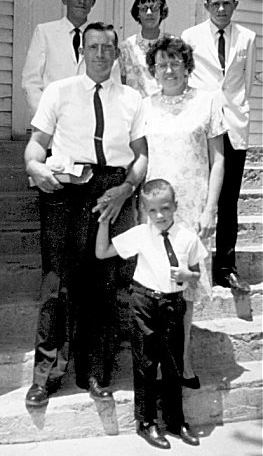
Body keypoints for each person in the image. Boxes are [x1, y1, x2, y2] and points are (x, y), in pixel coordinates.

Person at [24, 22, 148, 407]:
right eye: (92, 47)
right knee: (57, 283)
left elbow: (141, 156)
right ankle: (46, 375)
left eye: (106, 48)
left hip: (109, 190)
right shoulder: (59, 92)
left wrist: (125, 189)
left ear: (115, 55)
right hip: (65, 187)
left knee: (102, 284)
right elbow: (35, 146)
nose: (99, 54)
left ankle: (96, 372)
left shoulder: (132, 99)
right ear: (82, 52)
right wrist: (36, 169)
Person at [96, 179, 203, 449]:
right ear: (145, 211)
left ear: (175, 207)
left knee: (173, 364)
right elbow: (102, 252)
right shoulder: (140, 234)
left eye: (165, 209)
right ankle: (146, 422)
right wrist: (104, 222)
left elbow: (196, 274)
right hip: (144, 303)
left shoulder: (187, 237)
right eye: (152, 211)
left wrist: (188, 275)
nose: (159, 216)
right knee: (145, 364)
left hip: (172, 304)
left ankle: (176, 421)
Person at [144, 35, 225, 386]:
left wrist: (210, 209)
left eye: (176, 62)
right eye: (162, 64)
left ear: (187, 65)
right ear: (153, 70)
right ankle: (162, 360)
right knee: (159, 286)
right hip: (154, 209)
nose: (169, 69)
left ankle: (184, 357)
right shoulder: (145, 106)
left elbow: (219, 159)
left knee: (186, 289)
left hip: (192, 208)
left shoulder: (207, 102)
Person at [181, 0, 256, 292]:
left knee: (228, 201)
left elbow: (245, 82)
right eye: (215, 4)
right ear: (207, 6)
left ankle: (225, 268)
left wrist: (235, 111)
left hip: (233, 126)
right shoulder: (191, 37)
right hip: (202, 126)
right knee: (199, 195)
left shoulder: (247, 38)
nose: (222, 9)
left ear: (235, 4)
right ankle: (193, 264)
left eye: (227, 3)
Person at [22, 0, 96, 117]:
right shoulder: (45, 32)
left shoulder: (100, 36)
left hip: (89, 123)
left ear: (93, 1)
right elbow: (30, 82)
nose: (81, 1)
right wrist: (45, 118)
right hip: (53, 121)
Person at [118, 0, 169, 97]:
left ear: (162, 12)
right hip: (136, 109)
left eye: (154, 8)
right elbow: (121, 84)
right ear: (137, 13)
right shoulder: (126, 47)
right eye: (143, 8)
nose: (149, 13)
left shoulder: (172, 44)